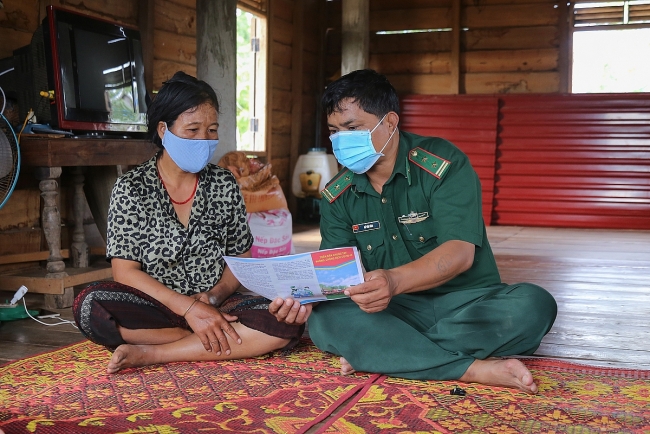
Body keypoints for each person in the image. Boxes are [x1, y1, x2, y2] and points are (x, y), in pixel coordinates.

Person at [270, 69, 557, 393]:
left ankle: (385, 352)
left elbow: (460, 253)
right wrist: (306, 299)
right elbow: (337, 274)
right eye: (335, 131)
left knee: (534, 306)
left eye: (352, 128)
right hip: (393, 311)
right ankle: (471, 368)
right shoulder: (338, 192)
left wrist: (393, 281)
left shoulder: (443, 165)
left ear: (390, 122)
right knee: (325, 322)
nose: (341, 141)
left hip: (465, 303)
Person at [73, 71, 303, 374]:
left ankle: (156, 353)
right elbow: (124, 272)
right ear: (163, 130)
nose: (204, 140)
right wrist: (189, 309)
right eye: (193, 130)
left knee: (285, 322)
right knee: (90, 306)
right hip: (155, 305)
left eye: (211, 130)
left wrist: (212, 298)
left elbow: (240, 257)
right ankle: (203, 339)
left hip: (219, 304)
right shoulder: (132, 187)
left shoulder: (223, 183)